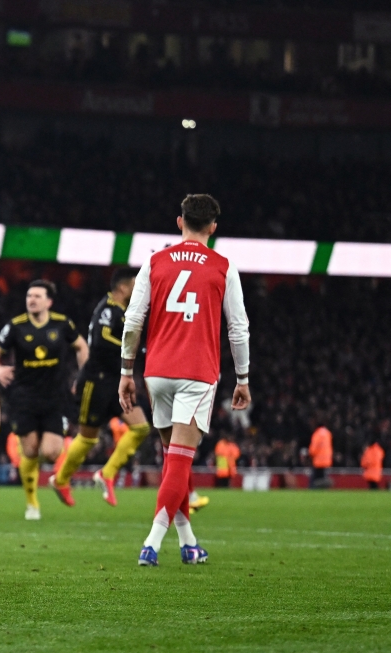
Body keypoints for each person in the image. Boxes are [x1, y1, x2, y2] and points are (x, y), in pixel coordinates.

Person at [119, 194, 251, 566]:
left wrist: (126, 372)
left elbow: (132, 321)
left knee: (174, 462)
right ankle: (152, 541)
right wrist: (242, 377)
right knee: (179, 463)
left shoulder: (155, 262)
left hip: (156, 372)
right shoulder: (223, 266)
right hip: (196, 374)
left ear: (180, 222)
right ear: (213, 227)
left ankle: (189, 544)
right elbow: (238, 330)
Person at [51, 269, 151, 508]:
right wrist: (131, 349)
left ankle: (107, 474)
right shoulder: (107, 309)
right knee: (88, 438)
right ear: (123, 288)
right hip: (96, 382)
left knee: (140, 428)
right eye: (135, 285)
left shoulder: (123, 312)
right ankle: (61, 479)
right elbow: (102, 339)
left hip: (115, 381)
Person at [0, 280, 87, 520]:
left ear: (49, 302)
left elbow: (82, 347)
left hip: (55, 396)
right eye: (29, 295)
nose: (31, 299)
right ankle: (32, 503)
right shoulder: (16, 326)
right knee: (30, 450)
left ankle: (54, 480)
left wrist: (82, 377)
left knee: (52, 453)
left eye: (37, 296)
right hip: (24, 396)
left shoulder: (62, 324)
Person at [309, 422, 333, 489]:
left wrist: (310, 454)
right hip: (327, 461)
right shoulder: (328, 433)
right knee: (322, 478)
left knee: (314, 480)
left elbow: (313, 449)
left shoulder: (317, 434)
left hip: (318, 461)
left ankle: (312, 491)